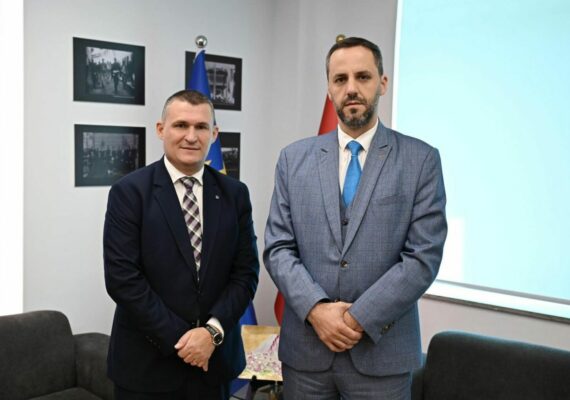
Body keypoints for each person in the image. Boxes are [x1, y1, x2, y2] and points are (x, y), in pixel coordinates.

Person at [264, 37, 447, 399]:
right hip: (307, 356)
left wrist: (355, 319)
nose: (351, 88)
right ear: (329, 88)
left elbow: (422, 257)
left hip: (382, 358)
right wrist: (317, 310)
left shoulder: (421, 160)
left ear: (382, 82)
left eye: (362, 77)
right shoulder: (292, 159)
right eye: (340, 79)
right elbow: (278, 248)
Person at [104, 89, 260, 400]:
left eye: (201, 127)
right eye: (180, 125)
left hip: (213, 366)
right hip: (147, 369)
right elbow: (123, 279)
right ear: (161, 129)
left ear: (214, 134)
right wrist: (187, 342)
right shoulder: (129, 192)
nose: (191, 136)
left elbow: (245, 273)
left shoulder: (235, 194)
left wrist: (211, 334)